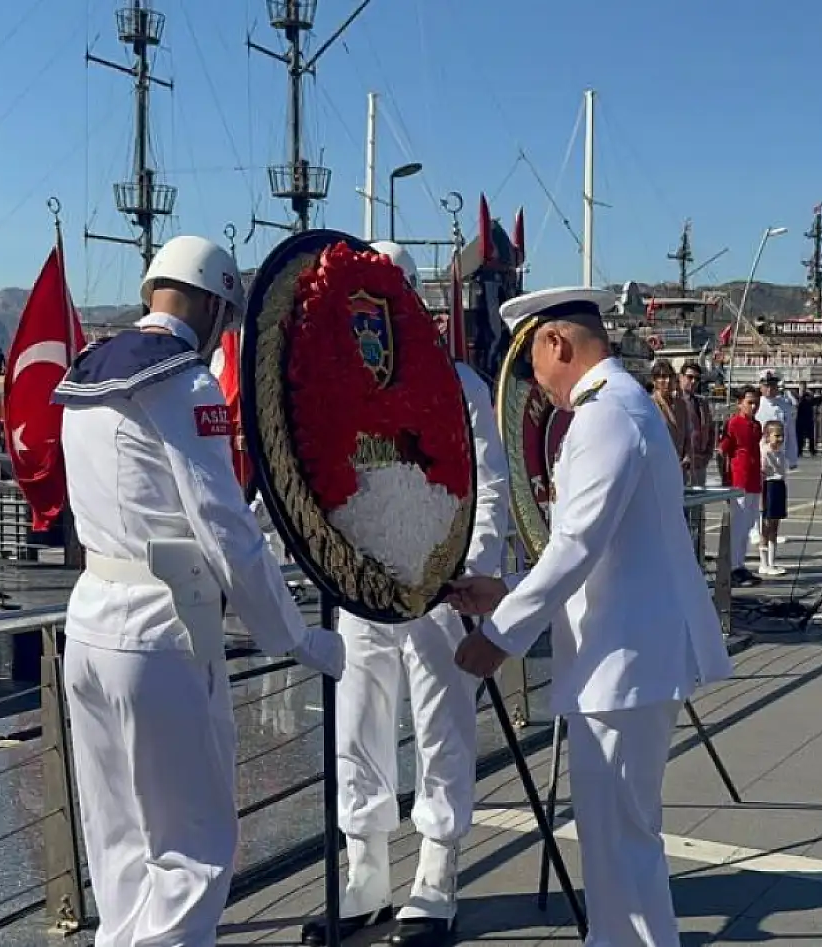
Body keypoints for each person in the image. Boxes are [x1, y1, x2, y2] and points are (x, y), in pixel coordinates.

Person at [50, 235, 346, 947]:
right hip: (162, 628)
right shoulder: (186, 381)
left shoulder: (87, 370)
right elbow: (224, 530)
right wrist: (296, 636)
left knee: (117, 848)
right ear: (216, 303)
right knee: (191, 852)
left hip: (88, 617)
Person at [443, 286, 734, 947]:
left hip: (622, 663)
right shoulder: (621, 407)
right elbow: (595, 547)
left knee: (622, 848)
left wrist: (500, 635)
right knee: (613, 847)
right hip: (620, 659)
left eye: (530, 368)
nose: (533, 386)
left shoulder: (605, 416)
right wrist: (504, 589)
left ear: (556, 343)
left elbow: (576, 544)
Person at [307, 240, 511, 947]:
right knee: (358, 722)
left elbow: (489, 490)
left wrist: (471, 574)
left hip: (436, 583)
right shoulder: (340, 390)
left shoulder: (462, 386)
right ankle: (364, 874)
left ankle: (437, 872)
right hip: (362, 585)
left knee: (441, 722)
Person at [719, 386, 763, 585]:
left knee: (747, 525)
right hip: (739, 479)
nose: (753, 406)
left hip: (754, 479)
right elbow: (722, 451)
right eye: (749, 402)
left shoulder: (756, 426)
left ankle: (740, 563)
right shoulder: (733, 423)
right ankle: (731, 567)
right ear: (740, 403)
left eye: (756, 402)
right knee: (737, 526)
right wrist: (726, 479)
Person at [649, 360, 692, 478]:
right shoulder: (650, 404)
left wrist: (687, 455)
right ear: (654, 381)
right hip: (660, 469)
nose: (667, 381)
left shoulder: (681, 404)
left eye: (670, 376)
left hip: (681, 469)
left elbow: (688, 434)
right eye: (662, 377)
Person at [757, 419, 789, 576]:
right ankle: (763, 563)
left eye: (782, 436)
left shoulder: (780, 453)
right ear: (768, 436)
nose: (780, 439)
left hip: (779, 485)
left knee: (775, 526)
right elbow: (762, 473)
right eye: (777, 436)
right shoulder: (765, 451)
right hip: (768, 486)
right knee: (766, 525)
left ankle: (772, 562)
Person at [677, 361, 716, 486]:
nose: (693, 381)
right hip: (681, 464)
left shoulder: (702, 403)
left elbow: (710, 430)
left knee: (698, 503)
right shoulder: (673, 402)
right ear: (681, 377)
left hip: (700, 464)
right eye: (690, 377)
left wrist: (707, 455)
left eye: (697, 379)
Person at [754, 371, 799, 470]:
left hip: (779, 456)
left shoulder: (785, 406)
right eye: (766, 386)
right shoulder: (755, 405)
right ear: (760, 387)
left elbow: (790, 433)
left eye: (772, 386)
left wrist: (792, 459)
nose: (769, 389)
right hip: (760, 455)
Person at [796, 386, 822, 456]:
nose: (811, 397)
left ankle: (800, 451)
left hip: (802, 422)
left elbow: (818, 400)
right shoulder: (806, 403)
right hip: (804, 422)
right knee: (808, 437)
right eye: (810, 396)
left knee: (802, 438)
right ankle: (810, 450)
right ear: (807, 397)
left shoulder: (803, 403)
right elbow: (818, 400)